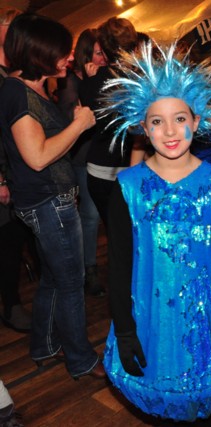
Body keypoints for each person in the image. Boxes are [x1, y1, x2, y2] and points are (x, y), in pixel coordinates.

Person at [100, 42, 211, 424]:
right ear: (143, 127)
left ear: (196, 122)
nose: (169, 131)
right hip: (152, 324)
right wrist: (125, 328)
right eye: (157, 121)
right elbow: (118, 264)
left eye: (179, 118)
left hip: (209, 324)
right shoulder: (128, 188)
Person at [0, 13, 104, 380]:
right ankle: (81, 359)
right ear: (39, 53)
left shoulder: (33, 86)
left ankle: (44, 345)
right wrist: (78, 125)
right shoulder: (16, 92)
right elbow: (38, 156)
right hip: (46, 202)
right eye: (63, 52)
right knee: (71, 283)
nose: (70, 57)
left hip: (49, 199)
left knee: (54, 279)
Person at [56, 28, 106, 297]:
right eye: (98, 53)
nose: (102, 58)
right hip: (83, 158)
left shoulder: (104, 77)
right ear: (87, 54)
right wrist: (89, 85)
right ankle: (89, 270)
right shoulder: (72, 82)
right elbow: (71, 121)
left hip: (104, 156)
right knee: (90, 215)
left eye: (104, 52)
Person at [79, 16, 138, 229]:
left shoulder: (92, 82)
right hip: (136, 167)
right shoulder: (143, 80)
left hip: (100, 169)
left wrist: (89, 80)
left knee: (115, 233)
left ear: (104, 50)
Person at [0, 6, 31, 334]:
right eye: (12, 26)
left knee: (15, 239)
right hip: (4, 175)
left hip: (17, 171)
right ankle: (11, 305)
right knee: (8, 241)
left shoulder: (14, 73)